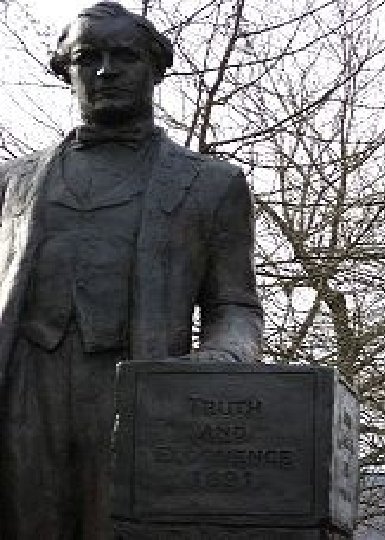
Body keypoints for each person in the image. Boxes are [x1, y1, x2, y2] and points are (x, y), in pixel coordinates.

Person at [0, 2, 262, 538]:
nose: (105, 70)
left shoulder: (212, 185)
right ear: (65, 71)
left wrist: (222, 357)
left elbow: (233, 305)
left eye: (125, 56)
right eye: (86, 57)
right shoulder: (11, 183)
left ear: (155, 69)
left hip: (136, 389)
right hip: (24, 387)